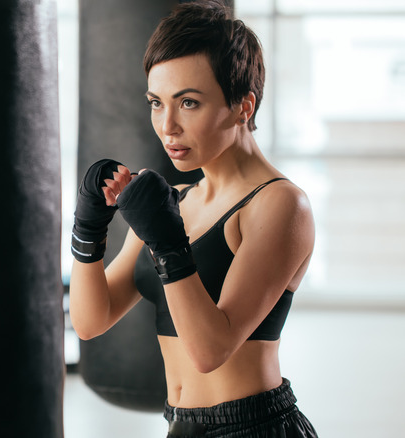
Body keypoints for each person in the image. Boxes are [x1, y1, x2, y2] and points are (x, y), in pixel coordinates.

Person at [68, 1, 318, 436]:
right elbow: (91, 321)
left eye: (188, 103)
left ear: (243, 106)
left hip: (253, 428)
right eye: (156, 102)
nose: (167, 126)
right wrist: (89, 229)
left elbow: (210, 350)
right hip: (179, 426)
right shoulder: (176, 201)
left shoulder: (279, 205)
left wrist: (167, 243)